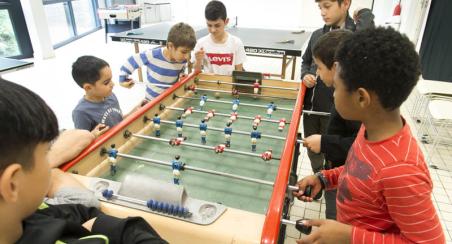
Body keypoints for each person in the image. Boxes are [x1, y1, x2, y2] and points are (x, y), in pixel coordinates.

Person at [294, 27, 445, 243]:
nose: (333, 94)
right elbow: (360, 170)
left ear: (362, 98)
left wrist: (348, 236)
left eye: (336, 88)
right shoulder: (370, 130)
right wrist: (326, 178)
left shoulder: (401, 171)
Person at [0, 78, 167, 244]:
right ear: (12, 184)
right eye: (45, 154)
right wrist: (106, 225)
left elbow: (84, 211)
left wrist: (99, 221)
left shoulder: (32, 214)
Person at [300, 0, 374, 177]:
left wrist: (365, 14)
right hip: (312, 104)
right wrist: (305, 75)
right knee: (314, 147)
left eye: (327, 6)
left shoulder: (355, 36)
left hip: (334, 109)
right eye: (320, 8)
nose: (323, 12)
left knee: (331, 148)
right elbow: (306, 61)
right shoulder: (318, 34)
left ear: (345, 4)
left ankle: (329, 177)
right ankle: (320, 176)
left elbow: (370, 39)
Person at [303, 30, 359, 220]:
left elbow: (364, 150)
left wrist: (325, 142)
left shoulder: (352, 103)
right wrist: (325, 178)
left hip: (350, 187)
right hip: (340, 173)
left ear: (335, 67)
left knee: (335, 219)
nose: (317, 72)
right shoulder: (345, 95)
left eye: (318, 67)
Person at [119, 22, 197, 100]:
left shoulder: (181, 59)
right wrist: (122, 80)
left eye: (189, 52)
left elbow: (179, 71)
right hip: (151, 101)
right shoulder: (152, 55)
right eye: (184, 52)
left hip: (169, 99)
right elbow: (131, 61)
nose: (187, 56)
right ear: (170, 46)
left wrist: (182, 75)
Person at [192, 0, 247, 75]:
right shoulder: (201, 43)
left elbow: (239, 73)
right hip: (208, 85)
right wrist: (198, 60)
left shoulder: (236, 43)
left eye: (217, 25)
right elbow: (196, 73)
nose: (213, 30)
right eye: (209, 25)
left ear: (226, 21)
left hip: (229, 85)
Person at [72, 55, 121, 135]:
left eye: (111, 79)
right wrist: (93, 136)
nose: (112, 84)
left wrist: (136, 110)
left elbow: (119, 122)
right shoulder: (81, 113)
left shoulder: (111, 95)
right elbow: (81, 142)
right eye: (106, 82)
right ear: (88, 88)